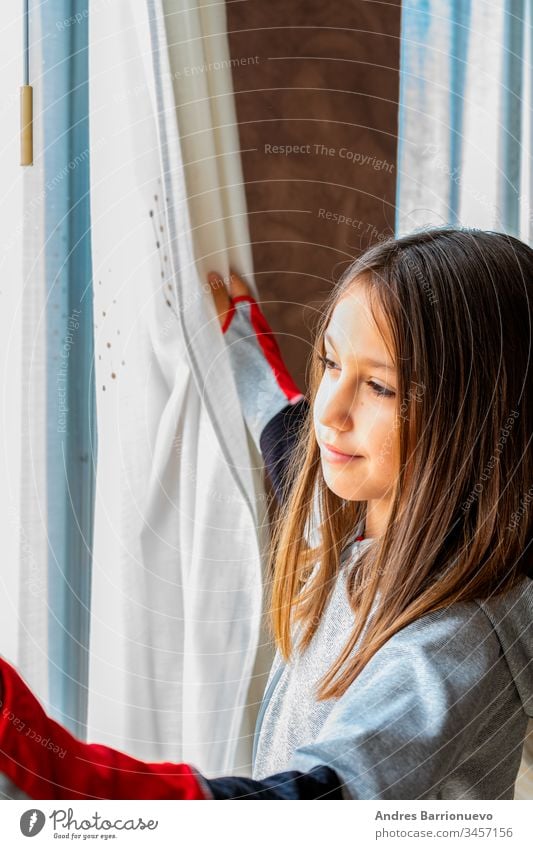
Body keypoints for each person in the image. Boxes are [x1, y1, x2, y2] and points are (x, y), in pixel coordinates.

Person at [1, 226, 532, 800]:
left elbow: (313, 805)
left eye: (379, 386)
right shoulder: (355, 518)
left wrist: (46, 767)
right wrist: (237, 341)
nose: (331, 410)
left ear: (478, 420)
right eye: (330, 361)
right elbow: (287, 434)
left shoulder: (449, 651)